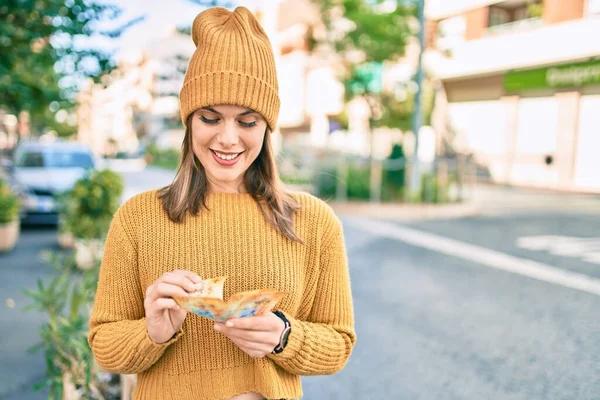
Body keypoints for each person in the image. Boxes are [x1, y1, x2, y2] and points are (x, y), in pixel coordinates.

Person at [88, 6, 356, 400]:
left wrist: (284, 336)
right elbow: (104, 344)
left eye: (247, 122)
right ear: (189, 121)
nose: (228, 139)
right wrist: (152, 331)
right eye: (210, 118)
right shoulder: (138, 218)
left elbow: (339, 344)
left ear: (267, 127)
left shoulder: (314, 221)